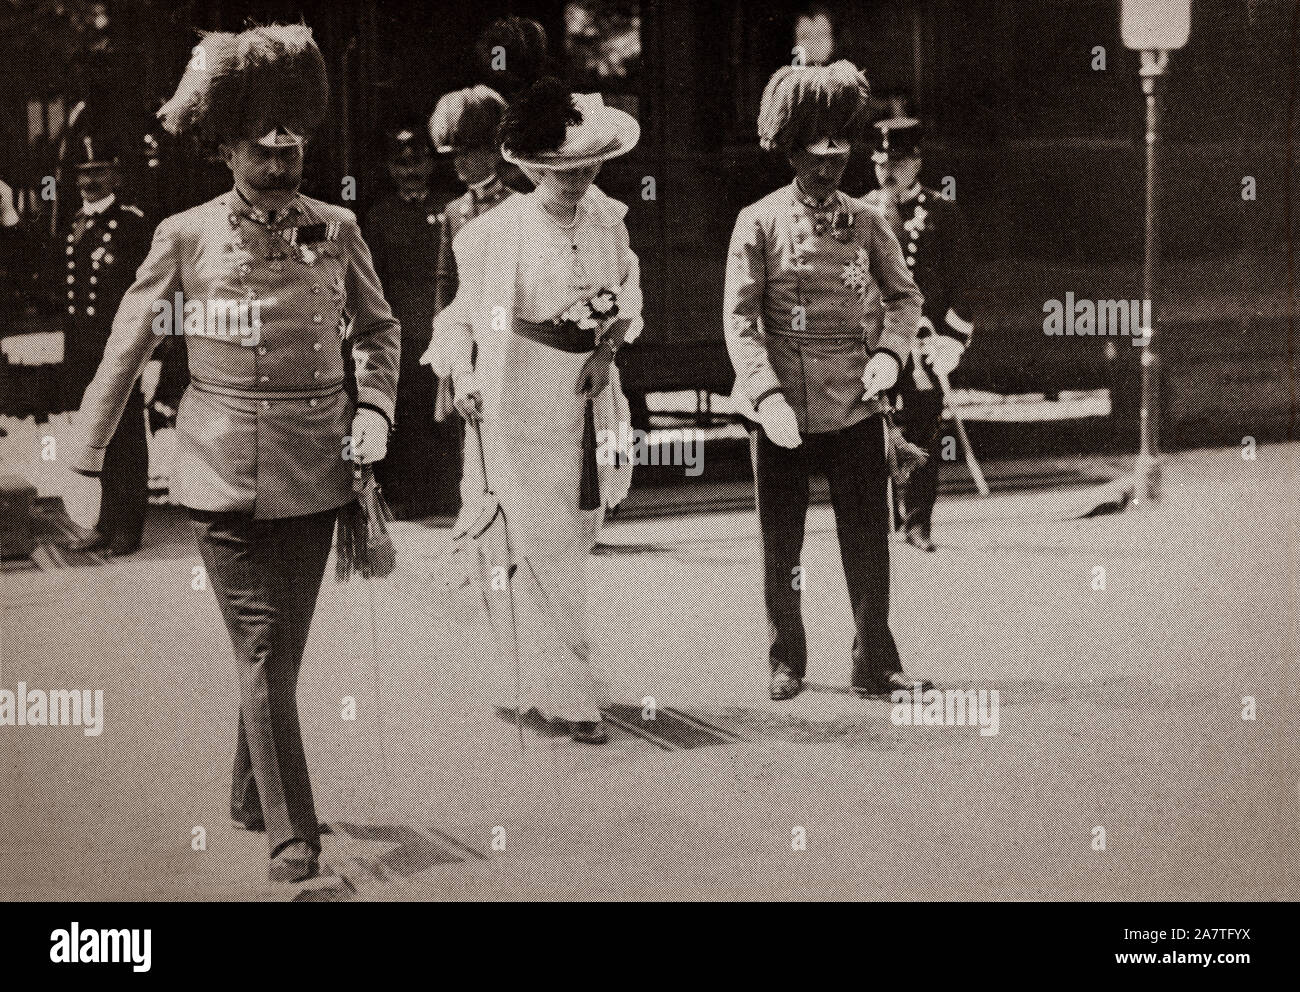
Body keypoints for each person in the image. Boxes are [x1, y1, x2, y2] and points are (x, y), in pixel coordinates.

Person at [67, 24, 400, 884]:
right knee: (259, 648)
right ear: (224, 150)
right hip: (217, 469)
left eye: (293, 149)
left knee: (279, 655)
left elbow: (379, 328)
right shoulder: (183, 235)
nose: (283, 165)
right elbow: (127, 342)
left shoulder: (338, 226)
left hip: (319, 467)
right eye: (264, 150)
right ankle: (294, 832)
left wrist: (375, 408)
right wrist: (89, 452)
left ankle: (251, 794)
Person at [430, 77, 641, 744]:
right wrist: (463, 373)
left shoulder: (609, 219)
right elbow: (460, 320)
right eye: (560, 171)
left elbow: (627, 293)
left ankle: (532, 674)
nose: (576, 182)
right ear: (530, 167)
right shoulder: (498, 233)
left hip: (590, 393)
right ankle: (575, 697)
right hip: (520, 394)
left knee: (576, 531)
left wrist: (608, 347)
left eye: (585, 168)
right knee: (545, 541)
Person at [723, 62, 933, 702]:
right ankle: (784, 658)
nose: (827, 170)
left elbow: (905, 297)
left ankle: (876, 662)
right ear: (789, 151)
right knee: (781, 545)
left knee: (869, 545)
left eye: (838, 157)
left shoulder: (869, 223)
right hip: (780, 409)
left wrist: (890, 359)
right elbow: (740, 315)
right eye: (815, 158)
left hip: (856, 404)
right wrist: (762, 394)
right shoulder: (757, 222)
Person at [862, 117, 974, 552]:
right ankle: (887, 520)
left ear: (917, 163)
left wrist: (953, 340)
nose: (889, 171)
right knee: (877, 428)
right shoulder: (861, 212)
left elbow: (963, 283)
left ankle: (919, 523)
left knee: (925, 429)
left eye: (899, 163)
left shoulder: (942, 213)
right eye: (882, 162)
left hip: (926, 341)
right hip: (878, 341)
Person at [59, 130, 152, 556]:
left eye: (97, 172)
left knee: (127, 433)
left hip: (120, 346)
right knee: (96, 434)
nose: (88, 181)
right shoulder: (71, 222)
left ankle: (129, 525)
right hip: (84, 347)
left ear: (115, 175)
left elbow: (151, 292)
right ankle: (104, 522)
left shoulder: (132, 224)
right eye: (82, 173)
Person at [425, 85, 515, 518]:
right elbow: (446, 283)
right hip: (471, 337)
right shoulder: (455, 212)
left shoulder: (520, 206)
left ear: (496, 150)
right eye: (453, 153)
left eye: (468, 151)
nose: (458, 162)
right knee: (472, 432)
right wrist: (446, 350)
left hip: (512, 334)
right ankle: (482, 518)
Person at [365, 124, 458, 518]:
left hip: (443, 320)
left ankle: (449, 493)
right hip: (402, 326)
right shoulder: (380, 216)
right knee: (406, 410)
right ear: (390, 169)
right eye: (401, 164)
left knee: (448, 407)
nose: (410, 171)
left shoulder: (451, 208)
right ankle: (405, 497)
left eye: (418, 161)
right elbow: (372, 278)